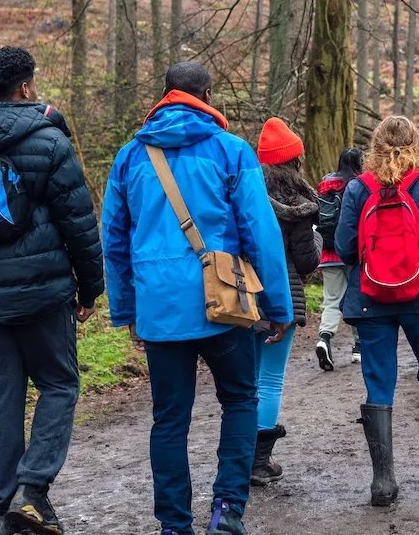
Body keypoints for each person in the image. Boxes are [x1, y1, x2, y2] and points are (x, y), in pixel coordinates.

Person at [102, 62, 292, 535]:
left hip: (160, 306)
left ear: (164, 95)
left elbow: (114, 239)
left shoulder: (129, 157)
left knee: (169, 419)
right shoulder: (232, 151)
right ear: (207, 96)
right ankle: (227, 511)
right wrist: (279, 306)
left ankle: (173, 524)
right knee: (241, 400)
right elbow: (260, 232)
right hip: (224, 301)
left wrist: (125, 306)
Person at [0, 46, 105, 535]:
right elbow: (79, 222)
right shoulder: (51, 141)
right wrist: (90, 289)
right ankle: (32, 489)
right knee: (58, 384)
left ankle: (0, 511)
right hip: (46, 295)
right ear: (26, 87)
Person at [335, 116, 419, 507]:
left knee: (378, 383)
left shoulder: (358, 188)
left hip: (371, 298)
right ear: (416, 146)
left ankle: (383, 482)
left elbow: (344, 246)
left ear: (374, 146)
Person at [252, 117, 321, 486]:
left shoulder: (243, 190)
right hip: (283, 296)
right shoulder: (299, 201)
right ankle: (259, 462)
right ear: (295, 160)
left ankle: (237, 455)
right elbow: (308, 261)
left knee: (245, 379)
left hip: (243, 294)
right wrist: (317, 240)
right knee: (270, 379)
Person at [315, 147, 365, 371]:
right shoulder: (360, 185)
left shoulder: (325, 185)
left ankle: (324, 338)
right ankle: (358, 346)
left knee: (331, 300)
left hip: (328, 251)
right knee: (358, 298)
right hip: (353, 252)